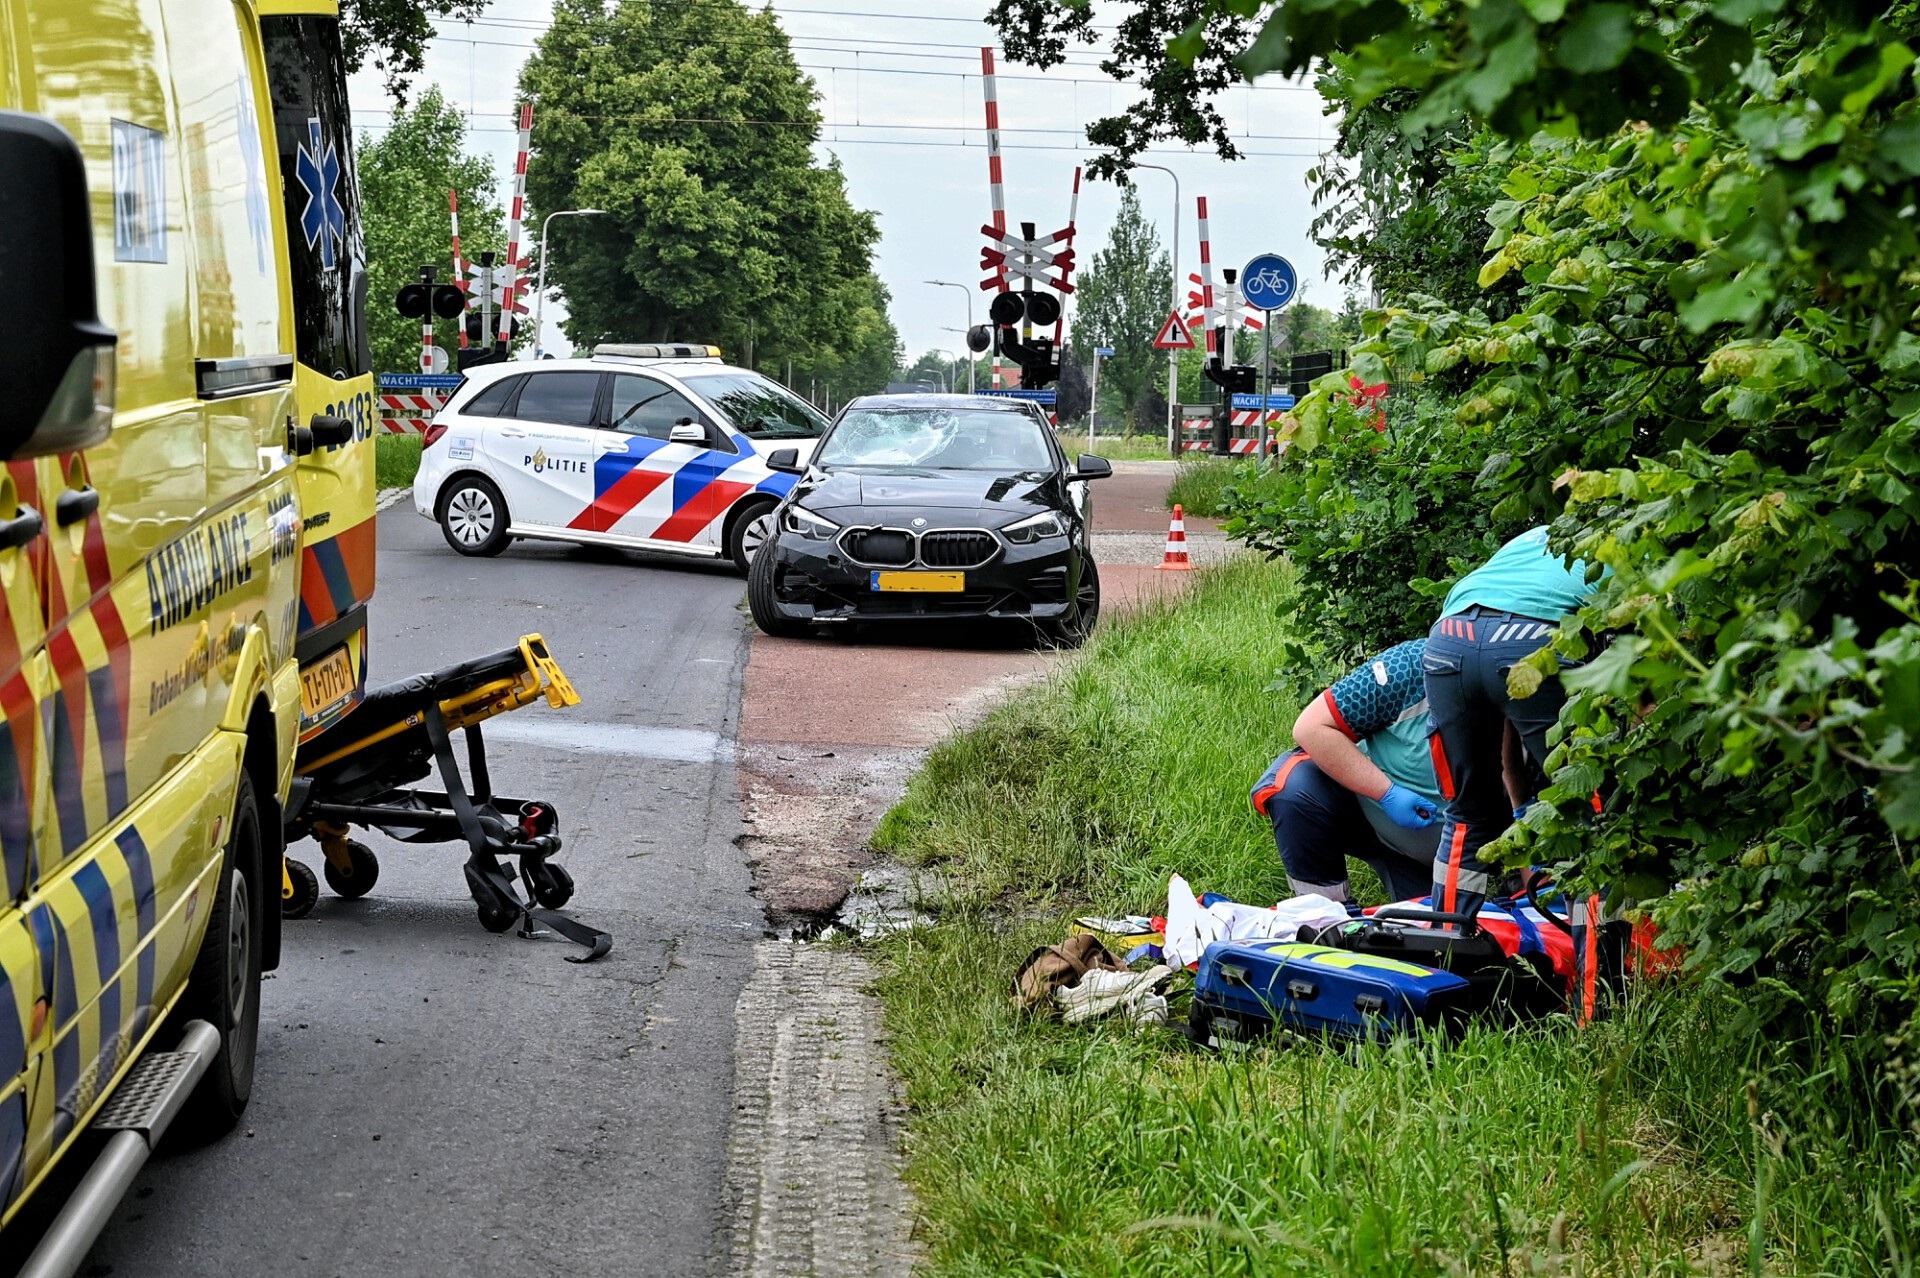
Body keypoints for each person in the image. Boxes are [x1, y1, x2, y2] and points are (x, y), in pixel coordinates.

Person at [1423, 525, 1603, 916]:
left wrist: (1521, 804)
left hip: (1449, 636)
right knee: (1584, 815)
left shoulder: (1539, 535)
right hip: (1533, 635)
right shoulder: (1642, 543)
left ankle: (1446, 955)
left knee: (1467, 815)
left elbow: (1501, 704)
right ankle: (1600, 976)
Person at [1251, 640, 1444, 903]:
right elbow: (1311, 728)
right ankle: (1324, 917)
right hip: (1378, 815)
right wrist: (1386, 793)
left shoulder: (1513, 677)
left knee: (1444, 931)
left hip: (1466, 850)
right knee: (1295, 788)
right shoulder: (1407, 666)